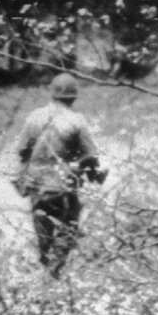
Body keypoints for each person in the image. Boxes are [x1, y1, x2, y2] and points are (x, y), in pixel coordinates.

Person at [13, 73, 107, 278]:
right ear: (73, 97)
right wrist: (95, 175)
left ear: (52, 93)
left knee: (43, 235)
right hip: (62, 187)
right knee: (69, 230)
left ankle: (46, 271)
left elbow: (21, 151)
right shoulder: (76, 121)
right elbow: (91, 156)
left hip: (36, 185)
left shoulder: (34, 117)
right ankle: (54, 273)